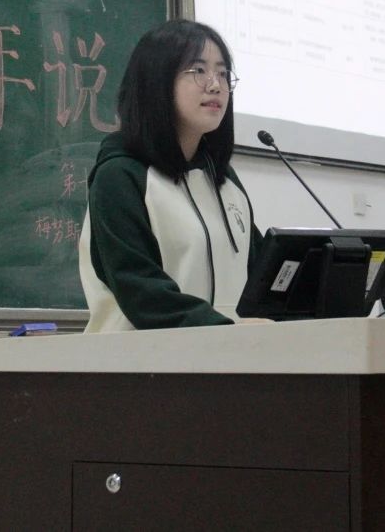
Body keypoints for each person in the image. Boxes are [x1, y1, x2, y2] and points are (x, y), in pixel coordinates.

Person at [78, 19, 264, 332]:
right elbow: (142, 291)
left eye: (222, 73)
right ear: (157, 81)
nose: (215, 85)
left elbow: (261, 277)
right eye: (198, 70)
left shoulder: (224, 180)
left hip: (227, 354)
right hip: (137, 359)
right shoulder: (120, 176)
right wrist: (226, 329)